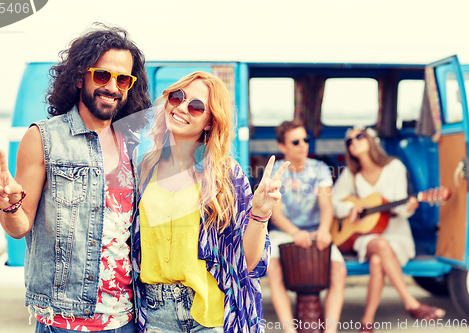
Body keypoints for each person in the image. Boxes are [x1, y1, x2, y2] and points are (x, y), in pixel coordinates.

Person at [0, 24, 151, 332]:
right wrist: (8, 205)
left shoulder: (131, 143)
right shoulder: (42, 138)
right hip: (63, 321)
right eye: (102, 75)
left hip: (126, 317)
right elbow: (20, 227)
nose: (112, 86)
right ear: (78, 77)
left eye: (123, 79)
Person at [131, 71, 290, 333]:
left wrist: (259, 214)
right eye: (177, 97)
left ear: (209, 122)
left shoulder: (225, 174)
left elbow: (248, 264)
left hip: (210, 316)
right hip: (155, 314)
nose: (182, 107)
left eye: (196, 107)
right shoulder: (144, 169)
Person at [332, 127, 445, 333]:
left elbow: (400, 208)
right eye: (349, 141)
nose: (353, 142)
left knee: (377, 260)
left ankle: (367, 322)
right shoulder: (352, 175)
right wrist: (351, 208)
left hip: (395, 233)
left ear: (371, 140)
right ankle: (411, 304)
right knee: (379, 245)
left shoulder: (394, 167)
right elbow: (334, 201)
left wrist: (408, 207)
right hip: (365, 236)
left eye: (359, 136)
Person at [267, 119, 347, 333]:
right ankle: (289, 331)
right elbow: (276, 215)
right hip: (283, 233)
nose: (303, 144)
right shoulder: (275, 172)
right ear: (282, 147)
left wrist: (323, 230)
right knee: (273, 270)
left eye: (305, 139)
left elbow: (326, 207)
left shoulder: (320, 169)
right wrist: (295, 233)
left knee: (339, 270)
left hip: (315, 230)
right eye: (295, 142)